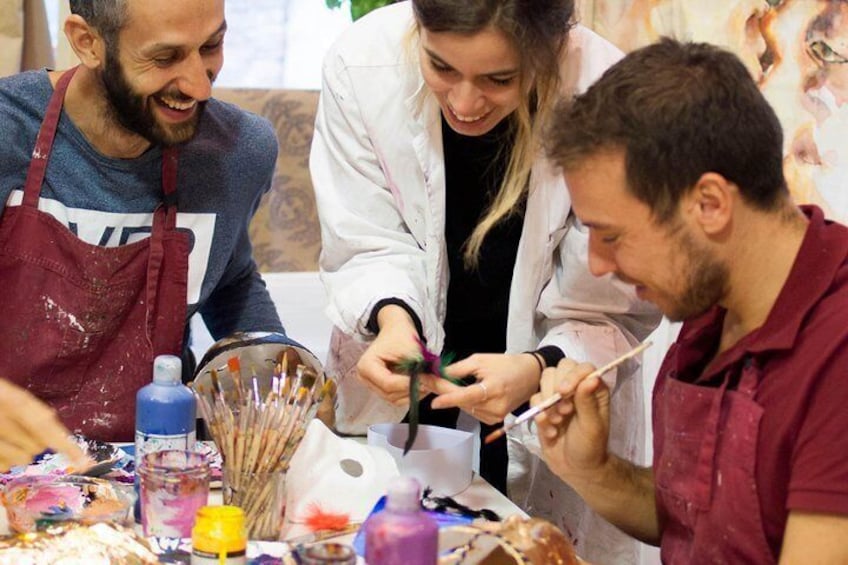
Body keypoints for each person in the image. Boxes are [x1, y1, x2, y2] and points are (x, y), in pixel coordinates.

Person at [310, 1, 658, 561]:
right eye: (441, 67)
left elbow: (609, 302)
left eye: (500, 79)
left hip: (544, 394)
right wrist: (394, 323)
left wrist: (538, 367)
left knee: (532, 547)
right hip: (409, 393)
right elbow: (366, 236)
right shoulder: (363, 64)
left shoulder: (608, 98)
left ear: (551, 48)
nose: (465, 104)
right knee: (392, 538)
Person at [537, 37, 848, 563]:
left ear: (709, 204)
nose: (597, 264)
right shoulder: (711, 310)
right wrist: (592, 470)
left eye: (611, 235)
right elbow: (700, 522)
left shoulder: (836, 352)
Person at [0, 0, 285, 443]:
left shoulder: (239, 153)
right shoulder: (7, 130)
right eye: (164, 58)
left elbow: (228, 278)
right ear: (87, 42)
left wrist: (276, 377)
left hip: (156, 461)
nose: (199, 87)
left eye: (211, 45)